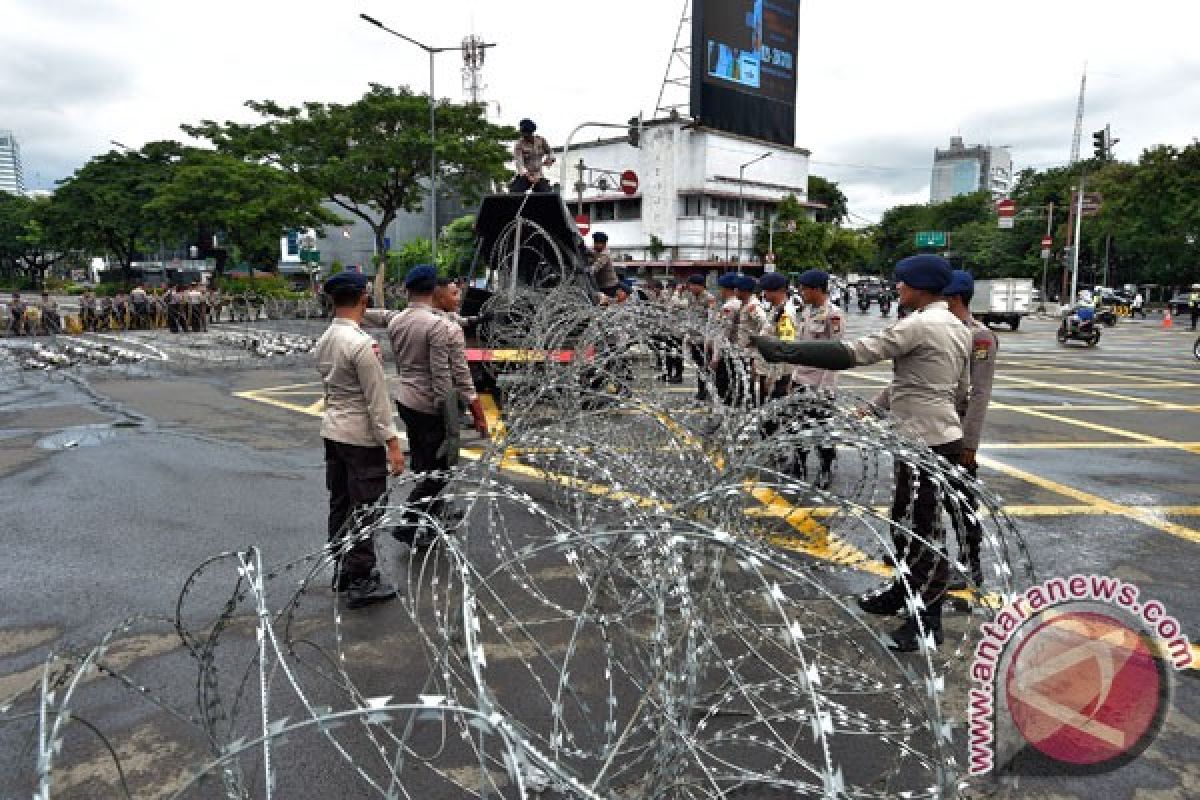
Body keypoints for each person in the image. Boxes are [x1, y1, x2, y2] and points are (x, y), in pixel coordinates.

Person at [753, 254, 970, 652]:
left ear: (920, 287)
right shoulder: (957, 326)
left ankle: (927, 619)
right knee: (907, 523)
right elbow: (953, 389)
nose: (898, 289)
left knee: (921, 530)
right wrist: (876, 410)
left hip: (924, 438)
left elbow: (854, 353)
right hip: (939, 434)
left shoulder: (920, 324)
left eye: (903, 283)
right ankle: (903, 591)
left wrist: (786, 352)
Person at [363, 265, 490, 548]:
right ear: (434, 291)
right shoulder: (441, 327)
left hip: (406, 400)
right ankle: (409, 525)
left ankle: (432, 519)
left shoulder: (398, 321)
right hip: (431, 406)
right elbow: (452, 378)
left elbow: (375, 318)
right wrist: (474, 414)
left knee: (424, 463)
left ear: (407, 290)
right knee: (441, 469)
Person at [314, 271, 403, 609]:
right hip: (360, 438)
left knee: (340, 502)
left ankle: (342, 567)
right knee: (367, 507)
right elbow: (377, 401)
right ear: (364, 299)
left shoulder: (325, 340)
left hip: (333, 431)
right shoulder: (362, 344)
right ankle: (361, 579)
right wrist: (392, 445)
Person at [943, 271, 997, 589]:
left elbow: (980, 393)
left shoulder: (980, 337)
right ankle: (917, 554)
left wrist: (969, 443)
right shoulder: (939, 330)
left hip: (957, 430)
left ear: (955, 298)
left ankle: (970, 564)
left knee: (960, 500)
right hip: (932, 426)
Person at [788, 269, 844, 488]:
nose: (802, 292)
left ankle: (826, 468)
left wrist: (825, 388)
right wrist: (794, 378)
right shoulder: (806, 312)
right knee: (797, 426)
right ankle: (799, 464)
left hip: (820, 384)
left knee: (822, 430)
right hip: (802, 380)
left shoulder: (833, 314)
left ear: (817, 289)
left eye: (805, 289)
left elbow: (834, 354)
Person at [509, 118, 555, 193]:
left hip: (539, 175)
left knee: (547, 193)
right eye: (523, 133)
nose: (524, 136)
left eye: (527, 133)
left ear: (531, 132)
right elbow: (519, 162)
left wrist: (550, 159)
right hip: (525, 175)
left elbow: (550, 152)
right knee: (514, 191)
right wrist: (528, 175)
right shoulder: (519, 145)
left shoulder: (541, 140)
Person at [590, 233, 619, 298]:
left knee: (605, 303)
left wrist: (585, 270)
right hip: (601, 285)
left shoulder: (605, 255)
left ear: (604, 244)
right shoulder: (596, 251)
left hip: (609, 286)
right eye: (595, 242)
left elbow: (595, 268)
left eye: (598, 243)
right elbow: (590, 253)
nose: (595, 245)